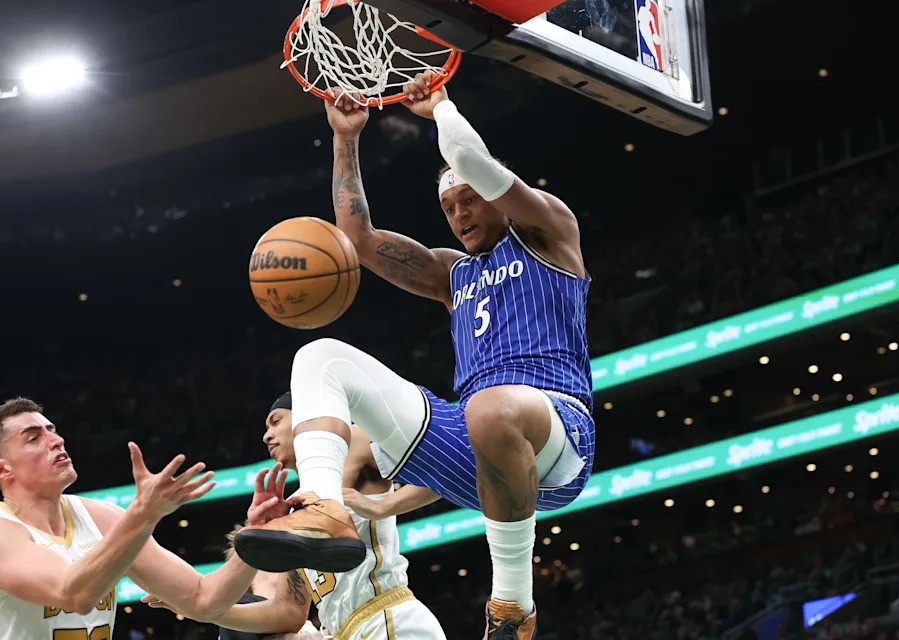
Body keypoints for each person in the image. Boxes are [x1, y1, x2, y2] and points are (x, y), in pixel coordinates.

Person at [235, 75, 595, 640]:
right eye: (449, 206)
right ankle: (325, 507)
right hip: (471, 439)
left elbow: (472, 161)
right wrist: (345, 139)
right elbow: (356, 235)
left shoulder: (552, 233)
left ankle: (512, 607)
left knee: (491, 408)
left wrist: (443, 106)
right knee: (320, 355)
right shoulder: (453, 274)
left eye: (470, 199)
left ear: (499, 195)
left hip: (558, 436)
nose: (460, 213)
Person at [145, 392, 446, 640]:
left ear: (304, 418)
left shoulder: (351, 443)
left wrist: (383, 506)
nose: (266, 436)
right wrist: (202, 607)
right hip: (346, 632)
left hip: (387, 619)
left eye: (276, 421)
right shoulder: (298, 513)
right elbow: (288, 613)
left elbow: (452, 466)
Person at [0, 396, 295, 639]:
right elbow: (73, 593)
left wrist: (257, 533)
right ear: (4, 470)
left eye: (52, 430)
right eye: (34, 438)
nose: (57, 440)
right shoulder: (4, 530)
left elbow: (202, 599)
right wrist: (143, 515)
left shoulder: (101, 518)